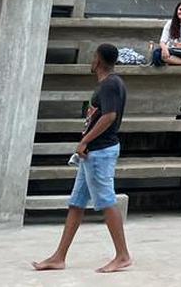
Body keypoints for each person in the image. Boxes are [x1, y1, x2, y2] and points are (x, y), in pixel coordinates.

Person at [32, 43, 131, 273]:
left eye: (93, 56)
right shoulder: (111, 84)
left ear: (98, 60)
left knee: (106, 201)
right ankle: (59, 257)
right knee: (76, 204)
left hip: (100, 152)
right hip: (92, 154)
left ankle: (123, 255)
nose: (91, 60)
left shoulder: (110, 84)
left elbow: (109, 117)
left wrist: (85, 141)